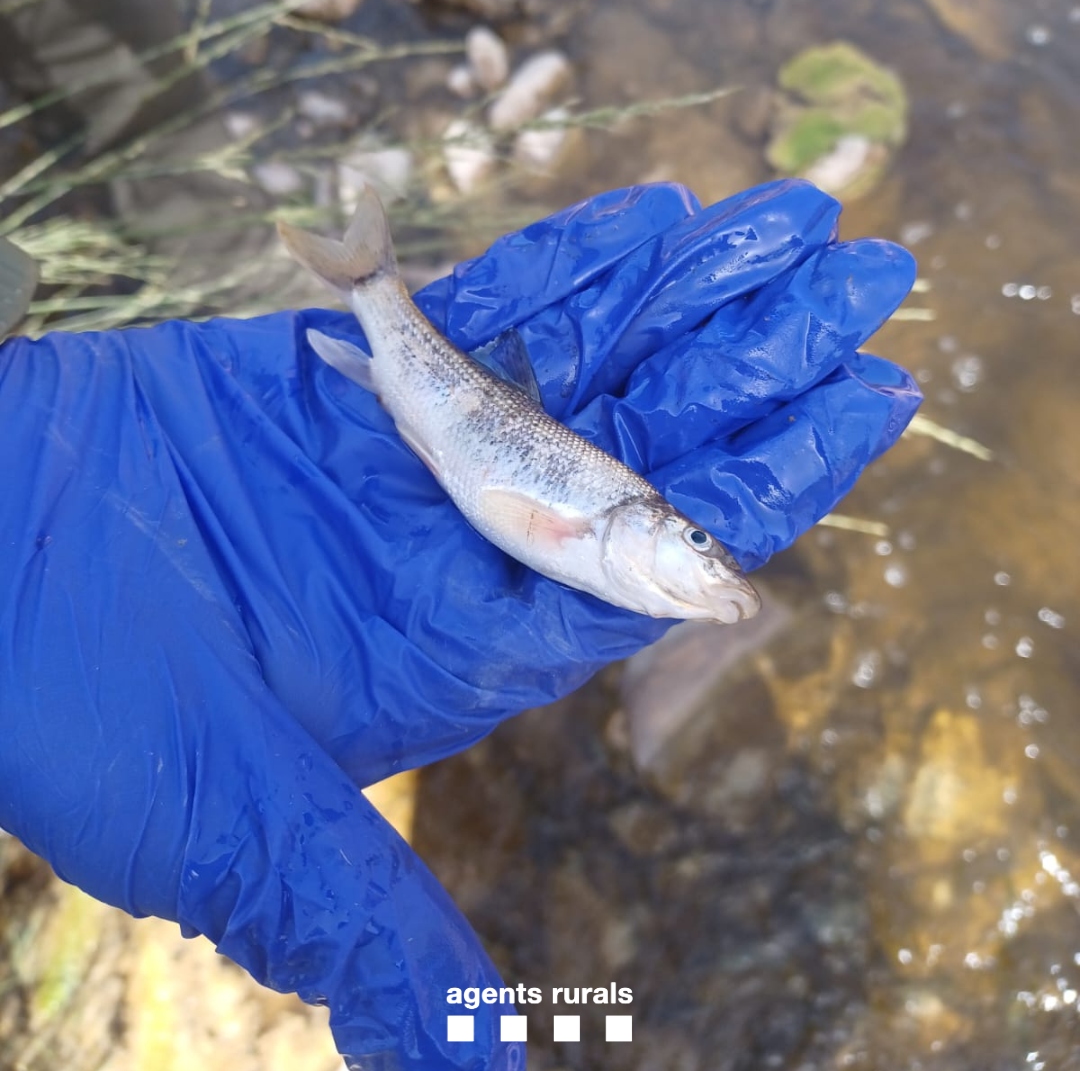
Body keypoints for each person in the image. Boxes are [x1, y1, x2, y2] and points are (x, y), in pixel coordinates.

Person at [0, 179, 920, 1070]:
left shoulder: (620, 543)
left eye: (706, 554)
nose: (718, 573)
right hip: (430, 412)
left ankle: (370, 281)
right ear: (655, 526)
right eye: (699, 543)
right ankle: (371, 281)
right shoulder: (604, 525)